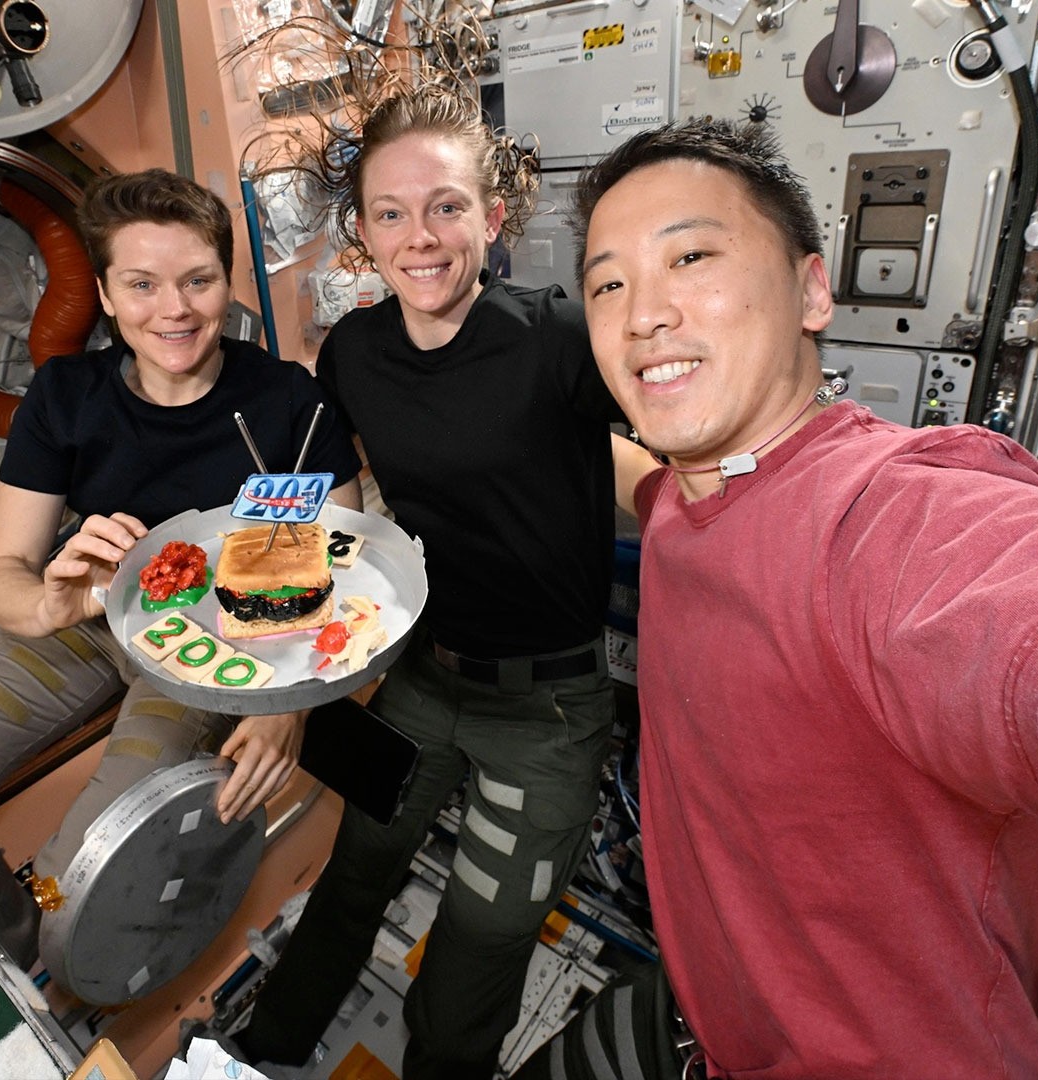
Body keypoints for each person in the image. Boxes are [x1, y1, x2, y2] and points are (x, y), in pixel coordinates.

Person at [515, 117, 1038, 1078]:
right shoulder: (699, 489)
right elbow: (647, 480)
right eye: (608, 284)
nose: (643, 315)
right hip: (723, 1020)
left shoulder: (897, 524)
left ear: (810, 289)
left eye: (691, 257)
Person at [231, 83, 657, 1080]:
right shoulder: (353, 355)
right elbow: (319, 522)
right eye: (390, 213)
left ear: (492, 217)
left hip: (547, 712)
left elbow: (678, 429)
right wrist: (280, 682)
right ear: (363, 234)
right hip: (415, 677)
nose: (420, 237)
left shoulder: (552, 338)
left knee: (474, 952)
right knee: (350, 880)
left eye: (447, 206)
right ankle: (257, 1057)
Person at [0, 169, 363, 972]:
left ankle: (51, 918)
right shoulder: (64, 396)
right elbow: (4, 582)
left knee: (83, 865)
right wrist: (53, 603)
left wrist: (286, 705)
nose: (175, 310)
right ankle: (22, 946)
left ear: (225, 282)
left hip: (218, 641)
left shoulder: (287, 404)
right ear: (104, 291)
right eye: (142, 283)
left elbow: (342, 572)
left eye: (198, 280)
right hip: (86, 623)